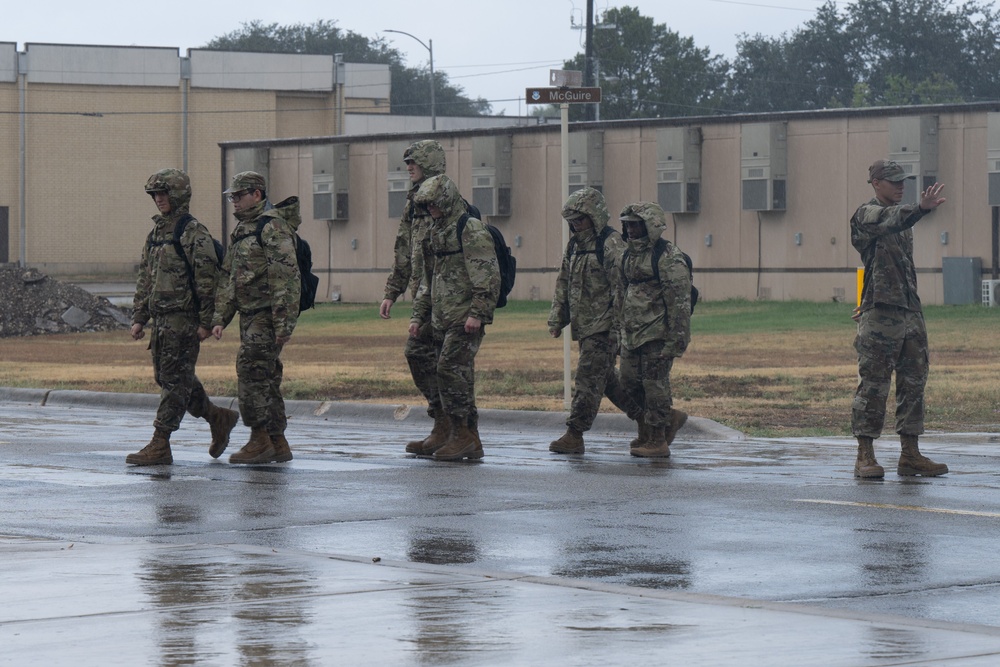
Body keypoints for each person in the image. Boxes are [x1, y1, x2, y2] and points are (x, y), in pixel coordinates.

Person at [127, 168, 239, 466]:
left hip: (184, 320)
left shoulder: (192, 232)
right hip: (161, 321)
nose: (159, 199)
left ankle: (160, 442)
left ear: (178, 195)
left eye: (164, 193)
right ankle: (218, 417)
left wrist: (205, 321)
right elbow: (145, 278)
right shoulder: (156, 234)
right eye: (155, 194)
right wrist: (140, 317)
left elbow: (207, 280)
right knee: (167, 378)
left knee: (175, 382)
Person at [850, 159, 948, 478]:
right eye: (893, 181)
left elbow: (891, 260)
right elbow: (889, 220)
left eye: (902, 181)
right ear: (876, 183)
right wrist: (919, 208)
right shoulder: (866, 214)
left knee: (914, 380)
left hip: (908, 311)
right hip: (881, 314)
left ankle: (910, 454)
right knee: (875, 384)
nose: (900, 186)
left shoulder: (903, 225)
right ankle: (865, 455)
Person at [211, 171, 301, 465]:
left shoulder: (271, 227)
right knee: (266, 377)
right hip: (249, 315)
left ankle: (259, 439)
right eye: (232, 197)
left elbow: (285, 277)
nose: (234, 202)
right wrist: (220, 317)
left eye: (239, 196)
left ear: (257, 195)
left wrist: (283, 322)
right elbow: (229, 278)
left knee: (251, 373)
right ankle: (277, 441)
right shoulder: (243, 231)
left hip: (266, 315)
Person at [408, 174, 500, 461]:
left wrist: (478, 313)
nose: (430, 209)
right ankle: (445, 424)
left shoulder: (469, 229)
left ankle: (463, 434)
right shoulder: (435, 231)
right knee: (417, 353)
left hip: (464, 318)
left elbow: (487, 274)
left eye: (434, 203)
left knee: (450, 368)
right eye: (426, 205)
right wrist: (418, 316)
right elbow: (428, 278)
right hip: (439, 317)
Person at [548, 187, 642, 454]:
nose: (576, 225)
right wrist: (557, 318)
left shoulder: (610, 243)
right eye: (573, 221)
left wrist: (619, 328)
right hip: (586, 325)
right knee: (606, 380)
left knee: (589, 379)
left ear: (595, 216)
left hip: (605, 327)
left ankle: (574, 433)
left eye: (581, 220)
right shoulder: (576, 245)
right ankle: (653, 419)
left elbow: (622, 287)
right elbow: (564, 281)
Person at [379, 140, 451, 455]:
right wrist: (393, 291)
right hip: (422, 296)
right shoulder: (414, 202)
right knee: (422, 356)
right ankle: (444, 423)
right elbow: (404, 250)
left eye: (414, 162)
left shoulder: (445, 200)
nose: (408, 167)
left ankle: (453, 427)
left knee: (446, 364)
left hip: (447, 297)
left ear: (430, 164)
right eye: (407, 162)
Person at [617, 202, 691, 458]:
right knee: (628, 383)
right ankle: (648, 429)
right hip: (631, 335)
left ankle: (658, 439)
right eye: (627, 225)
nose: (630, 230)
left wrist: (676, 340)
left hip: (657, 334)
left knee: (654, 385)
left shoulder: (668, 256)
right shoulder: (627, 255)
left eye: (635, 225)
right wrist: (620, 331)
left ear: (650, 226)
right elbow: (622, 294)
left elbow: (679, 301)